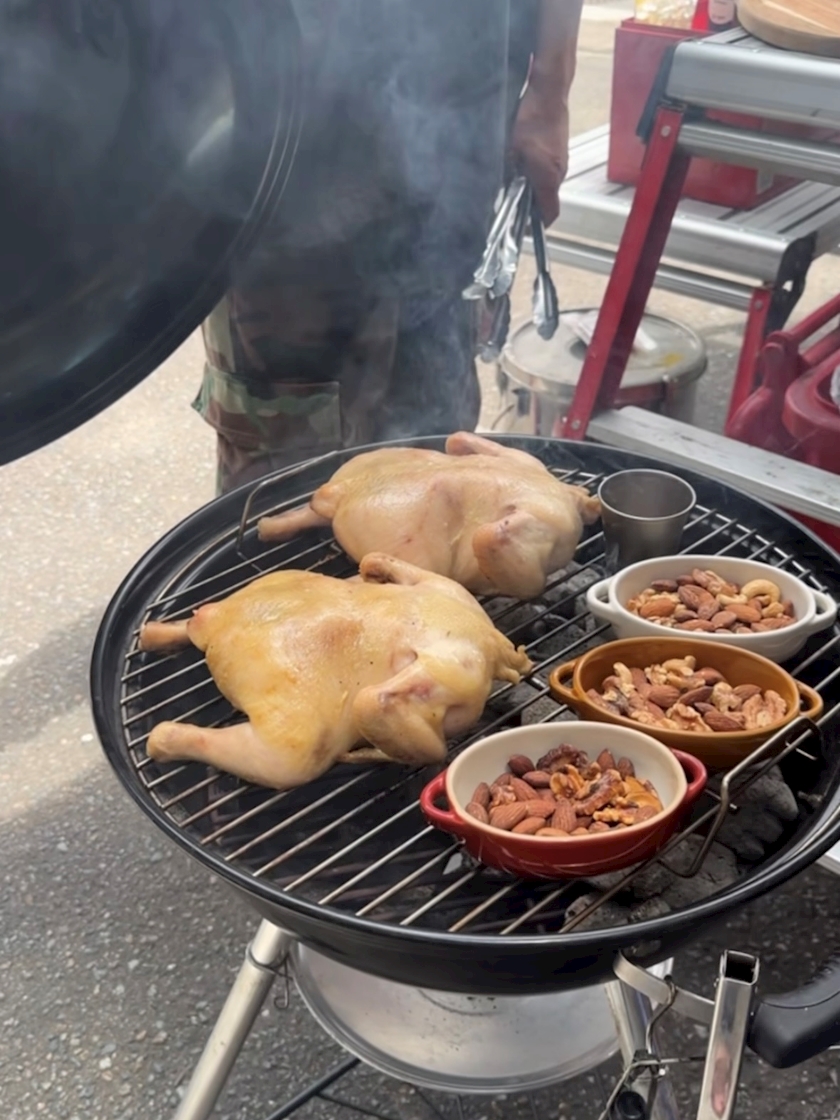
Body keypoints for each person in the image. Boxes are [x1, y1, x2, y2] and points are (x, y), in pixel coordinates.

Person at [194, 0, 584, 494]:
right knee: (284, 464)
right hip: (285, 170)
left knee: (439, 442)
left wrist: (550, 91)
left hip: (459, 134)